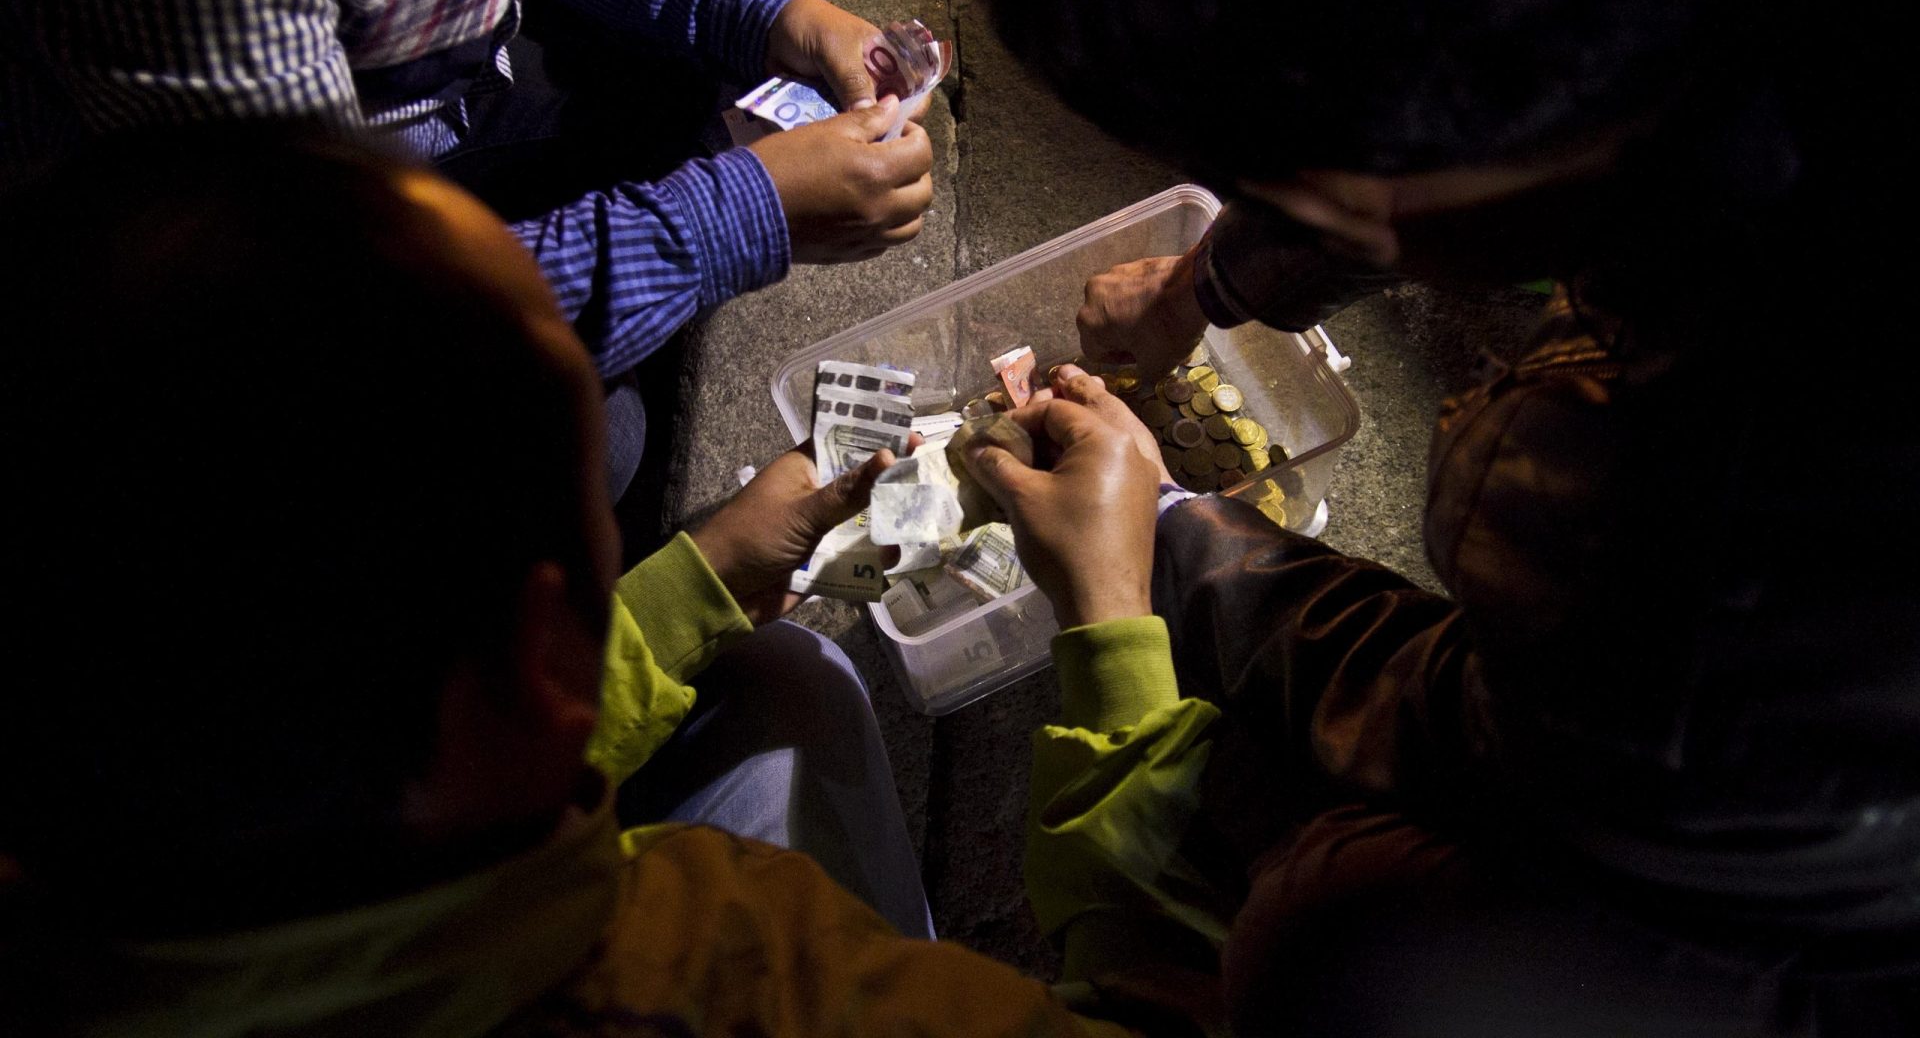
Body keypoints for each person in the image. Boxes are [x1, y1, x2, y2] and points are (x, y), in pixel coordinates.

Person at [963, 0, 1920, 1032]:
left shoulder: (1636, 501)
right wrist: (1213, 279)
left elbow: (1463, 739)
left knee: (1334, 944)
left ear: (1340, 193)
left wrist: (1164, 550)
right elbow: (1473, 55)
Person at [0, 125, 1226, 1036]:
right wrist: (1113, 615)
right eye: (597, 490)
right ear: (540, 662)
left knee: (782, 666)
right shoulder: (743, 972)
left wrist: (703, 578)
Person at [0, 0, 936, 499]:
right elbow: (332, 336)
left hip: (410, 104)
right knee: (591, 445)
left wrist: (774, 12)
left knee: (698, 103)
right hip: (211, 311)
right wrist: (734, 220)